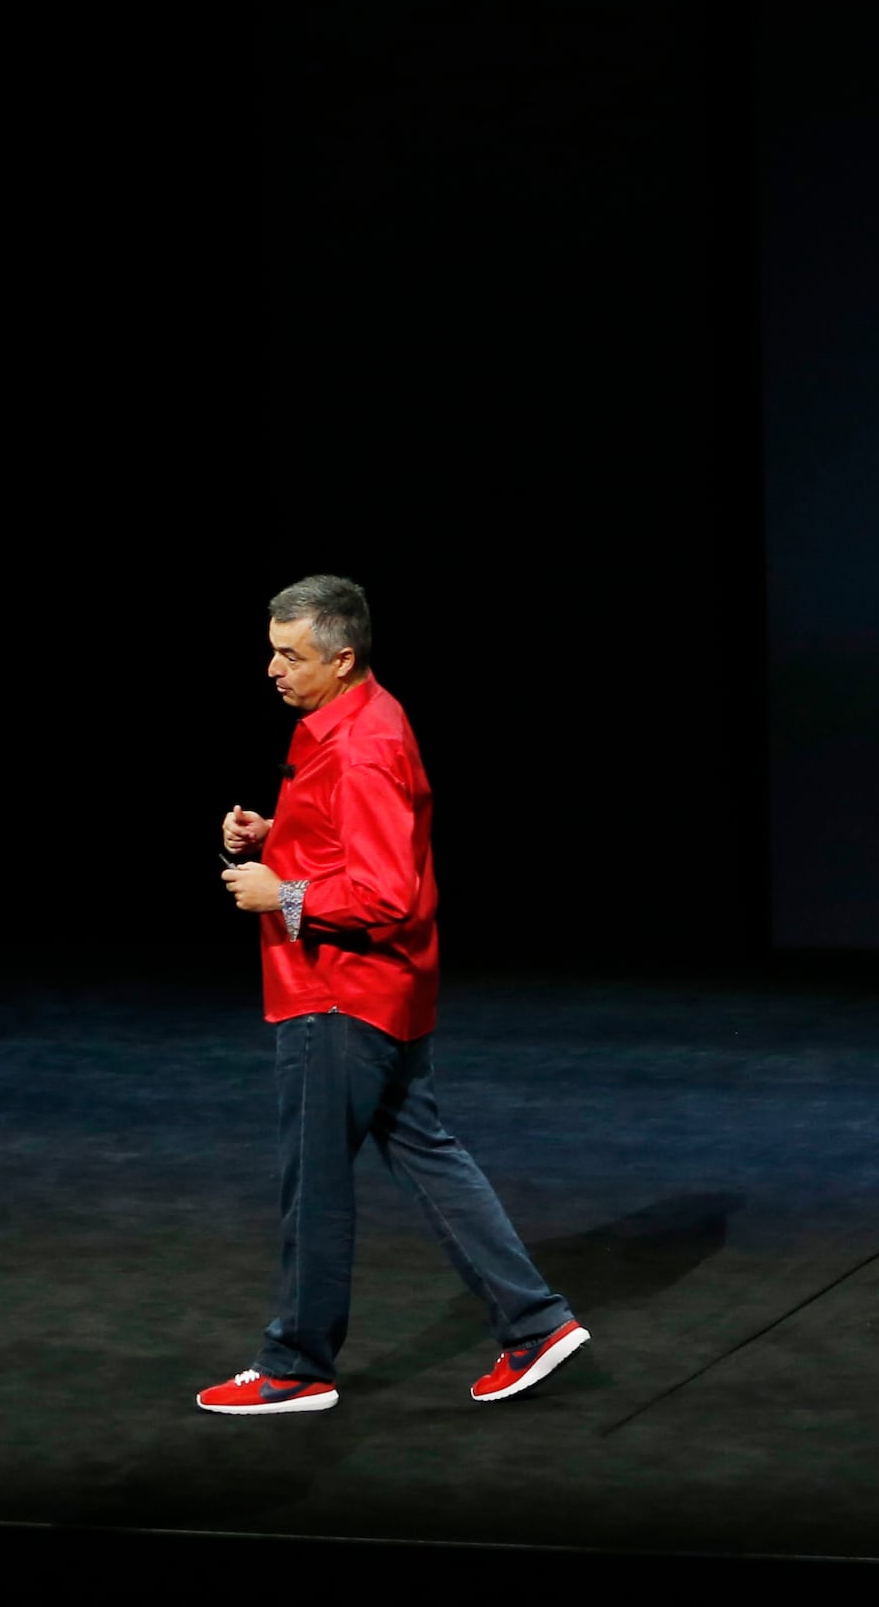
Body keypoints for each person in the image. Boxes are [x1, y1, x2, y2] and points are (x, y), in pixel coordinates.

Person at [195, 575, 592, 1416]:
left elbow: (384, 894)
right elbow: (361, 847)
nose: (271, 668)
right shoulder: (362, 720)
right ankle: (535, 1323)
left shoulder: (363, 743)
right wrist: (279, 837)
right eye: (270, 649)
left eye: (289, 654)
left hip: (337, 994)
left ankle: (297, 1365)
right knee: (428, 1152)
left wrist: (284, 896)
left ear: (341, 658)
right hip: (383, 989)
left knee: (315, 1182)